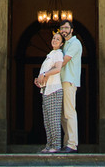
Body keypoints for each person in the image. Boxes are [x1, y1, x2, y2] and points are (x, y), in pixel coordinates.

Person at [34, 31, 65, 153]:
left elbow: (57, 68)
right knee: (47, 120)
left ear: (61, 43)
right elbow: (46, 72)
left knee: (53, 119)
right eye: (53, 38)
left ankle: (56, 146)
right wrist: (39, 79)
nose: (55, 40)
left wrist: (45, 74)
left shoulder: (58, 53)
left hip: (54, 89)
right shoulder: (51, 54)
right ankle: (49, 145)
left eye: (58, 39)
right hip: (46, 89)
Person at [58, 20, 82, 153]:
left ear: (72, 30)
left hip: (69, 81)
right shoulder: (65, 44)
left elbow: (63, 61)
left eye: (66, 28)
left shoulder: (75, 43)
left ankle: (72, 144)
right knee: (63, 115)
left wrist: (46, 72)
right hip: (61, 81)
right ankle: (67, 142)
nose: (64, 30)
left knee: (70, 112)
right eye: (62, 28)